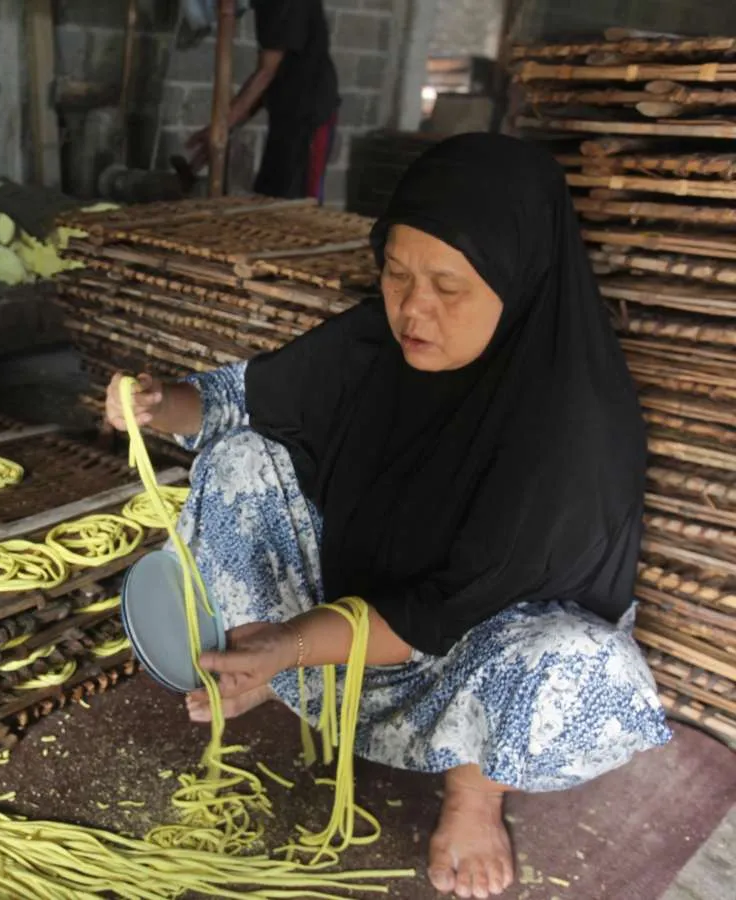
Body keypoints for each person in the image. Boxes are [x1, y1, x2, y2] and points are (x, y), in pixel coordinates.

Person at [106, 133, 670, 899]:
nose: (412, 308)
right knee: (239, 460)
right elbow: (234, 400)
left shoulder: (574, 430)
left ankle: (473, 793)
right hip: (348, 625)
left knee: (586, 667)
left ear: (520, 282)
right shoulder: (377, 339)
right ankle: (275, 671)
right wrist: (155, 402)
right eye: (396, 272)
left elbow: (439, 612)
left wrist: (292, 640)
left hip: (469, 662)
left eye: (448, 286)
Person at [184, 0, 340, 200]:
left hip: (310, 114)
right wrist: (225, 127)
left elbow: (267, 72)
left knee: (297, 203)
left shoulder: (282, 4)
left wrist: (222, 126)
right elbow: (269, 75)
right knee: (270, 193)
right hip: (286, 111)